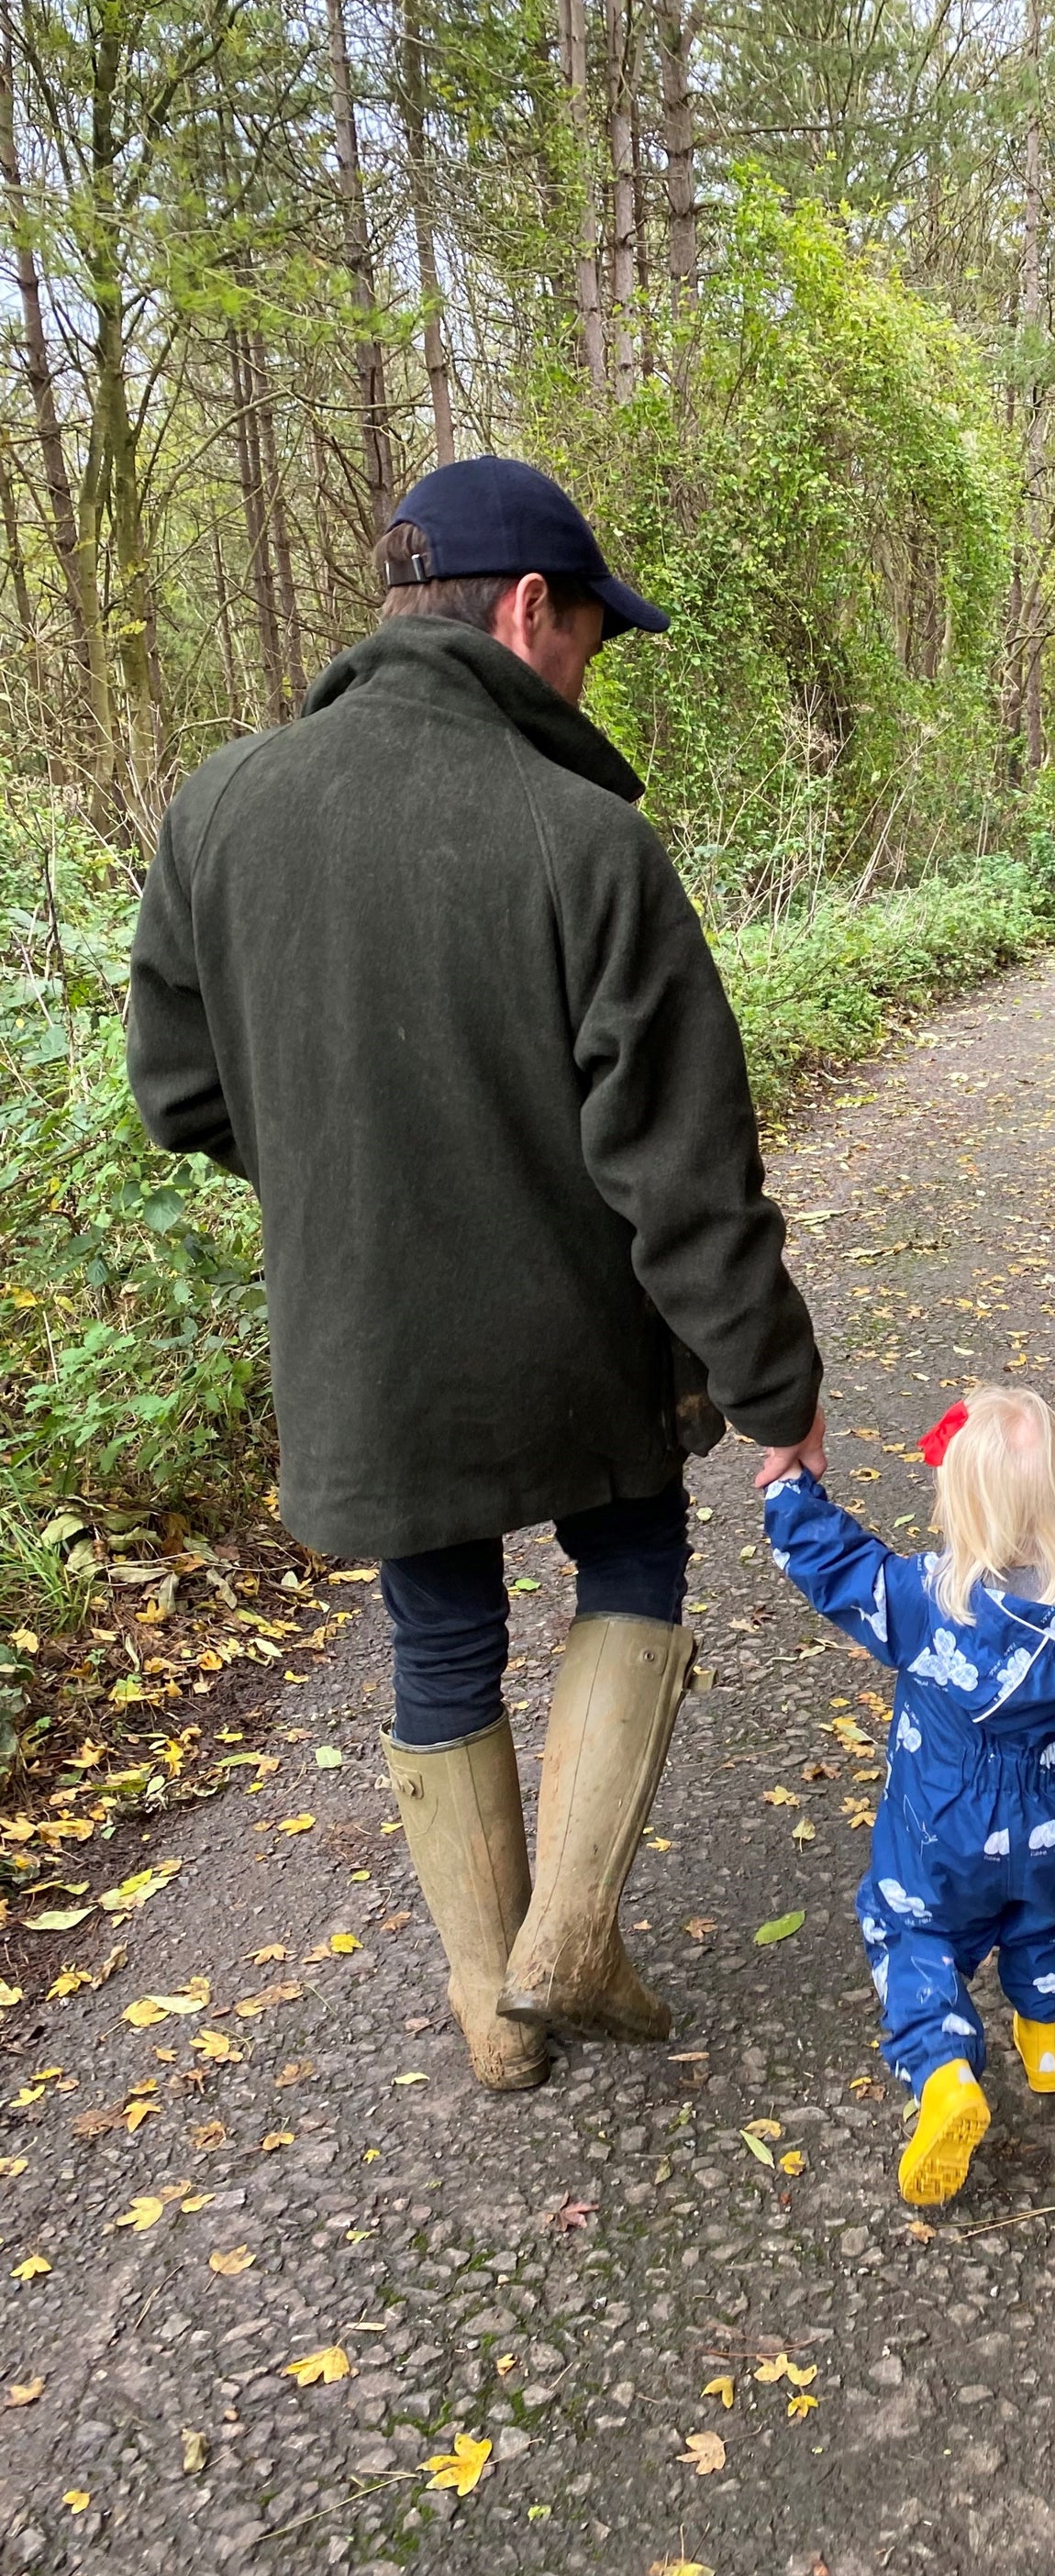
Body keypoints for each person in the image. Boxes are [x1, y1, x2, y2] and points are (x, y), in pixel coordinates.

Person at [127, 457, 823, 2093]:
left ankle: (487, 2010)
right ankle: (572, 1931)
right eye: (589, 636)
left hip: (363, 1333)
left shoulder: (217, 808)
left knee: (437, 1633)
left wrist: (337, 1171)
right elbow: (684, 1166)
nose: (589, 670)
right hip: (577, 1331)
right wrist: (770, 1383)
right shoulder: (585, 842)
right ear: (526, 611)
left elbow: (178, 1092)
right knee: (633, 1555)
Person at [761, 1390, 1055, 2205]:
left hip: (945, 1825)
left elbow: (833, 1566)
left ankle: (944, 2075)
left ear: (955, 1503)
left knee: (909, 1925)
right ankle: (1045, 2043)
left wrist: (789, 1491)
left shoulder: (921, 1599)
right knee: (1047, 1916)